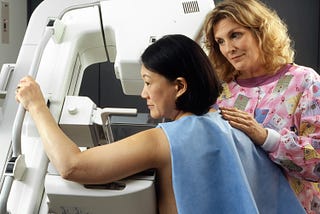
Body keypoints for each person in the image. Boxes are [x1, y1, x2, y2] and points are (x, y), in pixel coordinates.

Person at [15, 34, 304, 213]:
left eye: (148, 82)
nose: (143, 93)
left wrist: (36, 105)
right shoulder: (234, 130)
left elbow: (71, 166)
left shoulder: (164, 139)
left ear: (179, 86)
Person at [203, 0, 320, 213]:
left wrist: (266, 138)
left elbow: (318, 160)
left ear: (261, 31)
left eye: (235, 35)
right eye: (220, 41)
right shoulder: (221, 94)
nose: (229, 49)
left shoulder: (305, 82)